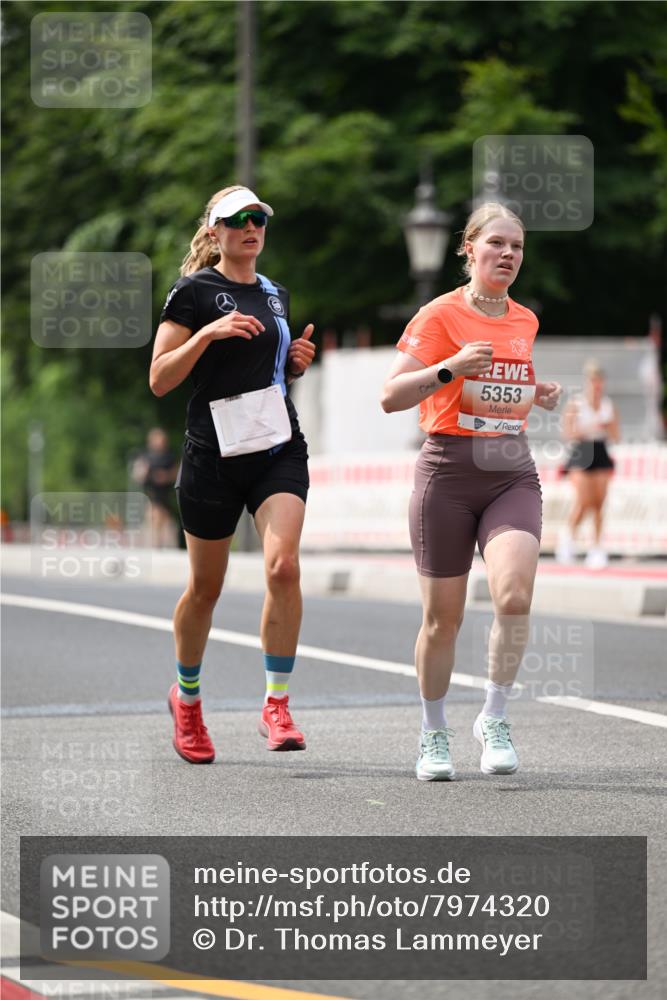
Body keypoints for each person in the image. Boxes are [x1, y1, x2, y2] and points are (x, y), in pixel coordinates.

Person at [381, 202, 561, 782]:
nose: (508, 255)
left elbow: (502, 394)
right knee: (443, 620)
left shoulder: (525, 320)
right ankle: (434, 733)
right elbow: (391, 396)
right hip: (448, 474)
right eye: (497, 244)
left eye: (518, 246)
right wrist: (450, 367)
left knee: (513, 596)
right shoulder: (438, 315)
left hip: (510, 470)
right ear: (470, 248)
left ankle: (495, 716)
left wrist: (537, 392)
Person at [150, 185, 316, 764]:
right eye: (237, 220)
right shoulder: (193, 292)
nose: (251, 227)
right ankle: (188, 700)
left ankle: (276, 704)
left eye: (258, 219)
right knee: (206, 589)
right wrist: (207, 334)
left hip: (276, 447)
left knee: (283, 565)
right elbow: (160, 379)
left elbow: (265, 377)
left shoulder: (276, 295)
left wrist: (291, 364)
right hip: (212, 457)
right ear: (215, 231)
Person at [557, 360, 620, 569]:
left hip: (600, 450)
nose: (596, 384)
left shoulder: (608, 405)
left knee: (599, 503)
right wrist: (589, 428)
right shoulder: (576, 403)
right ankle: (568, 539)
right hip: (582, 451)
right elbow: (567, 433)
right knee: (584, 501)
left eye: (599, 380)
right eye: (593, 380)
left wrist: (607, 427)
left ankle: (597, 547)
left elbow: (616, 436)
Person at [131, 427, 179, 548]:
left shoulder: (170, 456)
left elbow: (177, 473)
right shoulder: (145, 456)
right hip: (151, 492)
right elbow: (137, 474)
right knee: (154, 514)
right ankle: (155, 545)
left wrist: (165, 476)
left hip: (165, 493)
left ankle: (158, 544)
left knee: (163, 519)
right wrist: (144, 472)